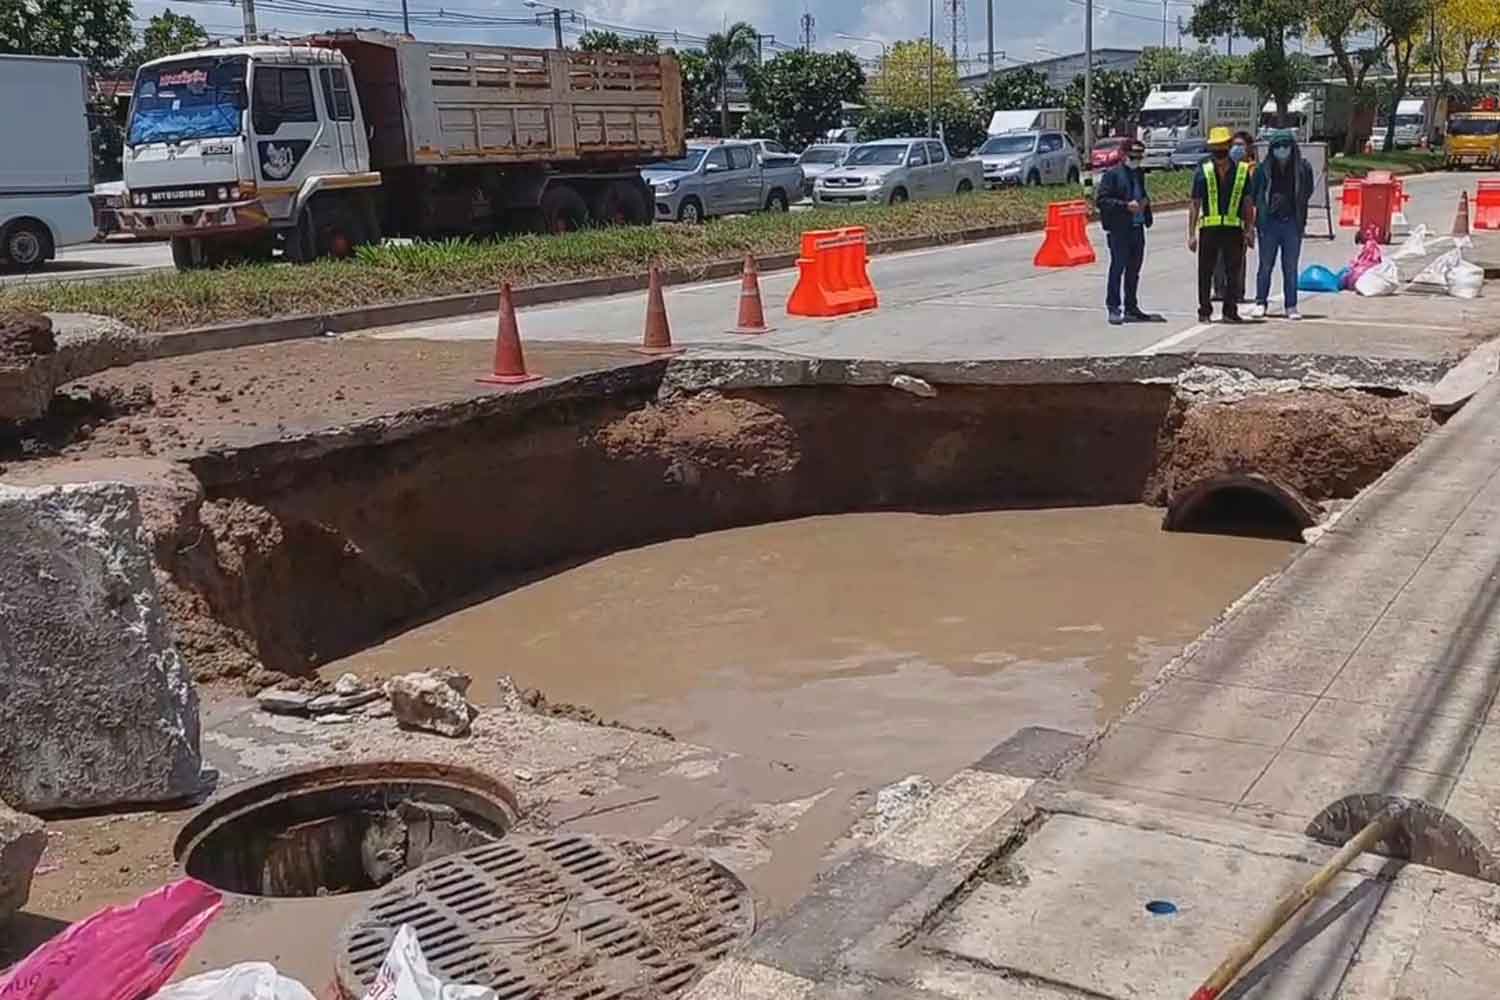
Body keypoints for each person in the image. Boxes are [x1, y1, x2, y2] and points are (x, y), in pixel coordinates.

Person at [1189, 126, 1256, 323]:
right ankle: (1204, 311)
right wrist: (1191, 234)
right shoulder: (1204, 170)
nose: (1219, 152)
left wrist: (1249, 229)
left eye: (1222, 147)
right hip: (1209, 229)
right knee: (1205, 272)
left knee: (1233, 272)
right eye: (1215, 148)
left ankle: (1230, 310)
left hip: (1234, 230)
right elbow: (1195, 203)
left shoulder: (1242, 171)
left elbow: (1247, 203)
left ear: (1228, 146)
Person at [1250, 129, 1316, 320]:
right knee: (1265, 266)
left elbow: (1307, 191)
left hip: (1292, 224)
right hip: (1268, 223)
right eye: (1277, 146)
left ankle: (1291, 305)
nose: (1282, 150)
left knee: (1290, 267)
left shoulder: (1303, 168)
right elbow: (1255, 196)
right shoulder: (1263, 170)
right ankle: (1260, 302)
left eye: (1286, 146)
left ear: (1293, 148)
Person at [1094, 138, 1162, 325]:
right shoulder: (1113, 175)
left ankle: (1131, 307)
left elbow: (1141, 194)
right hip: (1119, 229)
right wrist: (1125, 206)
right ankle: (1114, 307)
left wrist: (1145, 207)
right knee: (1118, 268)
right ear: (1123, 155)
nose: (1137, 159)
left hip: (1137, 228)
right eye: (1133, 155)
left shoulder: (1139, 173)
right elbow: (1102, 201)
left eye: (1140, 155)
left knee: (1134, 270)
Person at [1213, 131, 1257, 304]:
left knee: (1237, 259)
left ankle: (1237, 291)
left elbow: (1251, 200)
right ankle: (1219, 290)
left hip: (1240, 220)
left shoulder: (1252, 169)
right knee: (1218, 258)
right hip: (1219, 220)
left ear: (1248, 148)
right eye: (1234, 145)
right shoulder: (1223, 167)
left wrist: (1250, 226)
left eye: (1241, 145)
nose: (1237, 149)